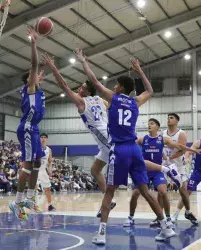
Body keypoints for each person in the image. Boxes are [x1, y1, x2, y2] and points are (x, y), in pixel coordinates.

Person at [42, 52, 181, 219]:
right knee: (94, 170)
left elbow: (64, 85)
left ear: (87, 91)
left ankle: (166, 169)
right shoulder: (101, 100)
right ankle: (108, 200)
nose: (79, 88)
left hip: (106, 137)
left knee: (132, 165)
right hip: (105, 138)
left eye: (81, 87)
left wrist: (54, 68)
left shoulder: (82, 102)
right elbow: (115, 106)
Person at [74, 48, 178, 244]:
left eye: (116, 84)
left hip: (119, 149)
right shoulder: (135, 101)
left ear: (120, 87)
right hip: (135, 150)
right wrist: (140, 71)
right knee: (145, 191)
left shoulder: (113, 98)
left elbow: (94, 81)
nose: (113, 86)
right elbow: (150, 91)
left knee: (110, 191)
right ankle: (165, 227)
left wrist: (83, 61)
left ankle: (102, 234)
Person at [123, 118, 201, 228]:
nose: (149, 125)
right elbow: (130, 145)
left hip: (157, 171)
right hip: (143, 171)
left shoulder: (163, 139)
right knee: (135, 193)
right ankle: (130, 217)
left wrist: (193, 150)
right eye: (148, 123)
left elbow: (179, 146)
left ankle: (168, 218)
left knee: (163, 192)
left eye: (152, 123)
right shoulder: (142, 139)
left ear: (157, 127)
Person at [9, 27, 45, 220]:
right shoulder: (31, 88)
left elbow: (35, 76)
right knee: (28, 164)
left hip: (35, 129)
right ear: (30, 80)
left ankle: (30, 199)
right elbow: (34, 63)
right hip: (28, 128)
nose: (38, 77)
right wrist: (33, 43)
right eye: (35, 76)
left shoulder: (35, 89)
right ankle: (17, 202)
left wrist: (37, 79)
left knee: (38, 161)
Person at [163, 113, 198, 225]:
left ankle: (187, 212)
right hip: (166, 166)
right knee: (161, 191)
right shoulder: (163, 133)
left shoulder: (181, 133)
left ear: (177, 121)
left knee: (183, 191)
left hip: (178, 167)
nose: (169, 119)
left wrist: (170, 157)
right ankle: (161, 216)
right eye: (168, 117)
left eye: (171, 118)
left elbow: (182, 150)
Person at [38, 133, 56, 212]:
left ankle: (50, 205)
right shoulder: (36, 147)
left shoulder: (49, 150)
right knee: (34, 188)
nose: (43, 139)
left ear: (47, 139)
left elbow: (49, 162)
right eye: (41, 137)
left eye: (45, 137)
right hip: (35, 170)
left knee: (47, 188)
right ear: (39, 139)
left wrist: (50, 171)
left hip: (43, 170)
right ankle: (35, 205)